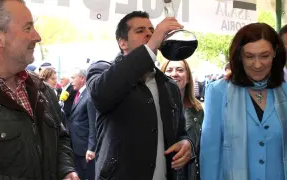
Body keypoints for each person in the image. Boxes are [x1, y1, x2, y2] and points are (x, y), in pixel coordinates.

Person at [0, 0, 79, 179]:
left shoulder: (42, 89)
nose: (37, 37)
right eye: (28, 28)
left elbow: (61, 138)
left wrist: (66, 170)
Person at [86, 11, 193, 180]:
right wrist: (149, 48)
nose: (150, 34)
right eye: (140, 30)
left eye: (152, 29)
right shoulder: (102, 71)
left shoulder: (169, 85)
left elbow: (180, 130)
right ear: (123, 43)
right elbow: (101, 96)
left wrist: (186, 143)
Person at [200, 23, 287, 180]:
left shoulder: (285, 92)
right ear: (239, 56)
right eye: (249, 56)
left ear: (275, 53)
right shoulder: (218, 92)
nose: (257, 64)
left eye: (265, 55)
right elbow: (210, 155)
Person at [161, 59, 204, 180]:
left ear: (188, 77)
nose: (174, 73)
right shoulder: (154, 108)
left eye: (180, 70)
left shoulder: (199, 110)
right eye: (169, 70)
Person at [68, 68, 96, 180]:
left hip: (85, 149)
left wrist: (91, 147)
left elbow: (92, 124)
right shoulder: (78, 94)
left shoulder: (89, 96)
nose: (71, 81)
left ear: (82, 78)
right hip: (76, 146)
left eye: (73, 78)